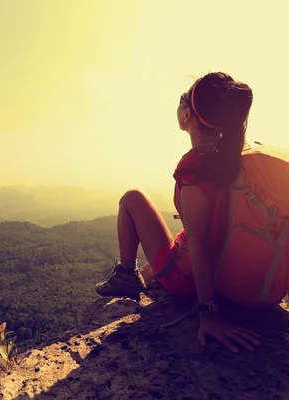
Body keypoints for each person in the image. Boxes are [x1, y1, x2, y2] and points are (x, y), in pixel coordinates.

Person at [95, 72, 261, 353]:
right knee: (150, 272)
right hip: (227, 270)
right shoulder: (233, 156)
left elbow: (199, 244)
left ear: (187, 115)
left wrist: (208, 314)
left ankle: (126, 274)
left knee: (132, 198)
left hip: (185, 280)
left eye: (182, 99)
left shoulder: (196, 166)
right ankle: (138, 277)